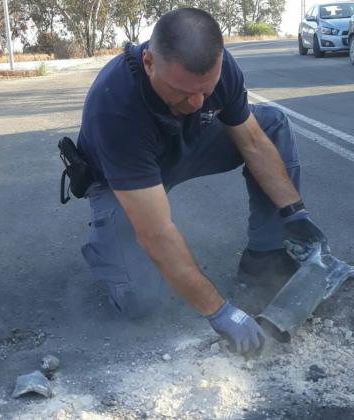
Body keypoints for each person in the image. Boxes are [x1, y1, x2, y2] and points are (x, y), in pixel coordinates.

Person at [77, 8, 326, 355]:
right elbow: (156, 231)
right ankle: (107, 250)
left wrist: (293, 212)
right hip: (122, 181)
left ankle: (265, 255)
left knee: (270, 123)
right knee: (140, 301)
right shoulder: (115, 109)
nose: (196, 104)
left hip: (183, 148)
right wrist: (220, 311)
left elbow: (252, 141)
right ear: (149, 62)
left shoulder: (219, 73)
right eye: (181, 92)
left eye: (205, 92)